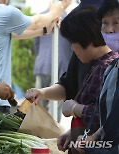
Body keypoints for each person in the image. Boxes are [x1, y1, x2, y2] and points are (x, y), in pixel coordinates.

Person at [25, 5, 119, 154]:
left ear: (85, 39)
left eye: (116, 23)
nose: (72, 49)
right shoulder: (94, 63)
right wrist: (73, 134)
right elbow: (67, 84)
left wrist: (75, 109)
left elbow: (106, 116)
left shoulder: (108, 68)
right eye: (105, 23)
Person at [0, 0, 71, 113]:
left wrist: (44, 31)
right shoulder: (4, 12)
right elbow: (37, 22)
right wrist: (56, 10)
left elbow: (8, 33)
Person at [75, 0, 119, 153]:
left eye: (117, 22)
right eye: (105, 23)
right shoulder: (112, 68)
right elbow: (110, 120)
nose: (110, 29)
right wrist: (93, 138)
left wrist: (93, 149)